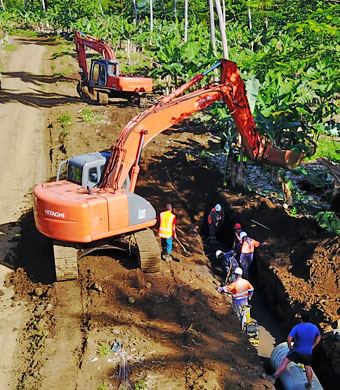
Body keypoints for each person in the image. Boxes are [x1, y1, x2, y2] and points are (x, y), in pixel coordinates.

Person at [263, 311, 321, 389]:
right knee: (307, 367)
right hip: (307, 352)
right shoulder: (314, 327)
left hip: (297, 350)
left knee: (285, 361)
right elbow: (319, 337)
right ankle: (310, 384)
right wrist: (313, 345)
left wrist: (290, 346)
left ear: (301, 319)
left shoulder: (298, 327)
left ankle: (274, 377)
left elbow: (289, 338)